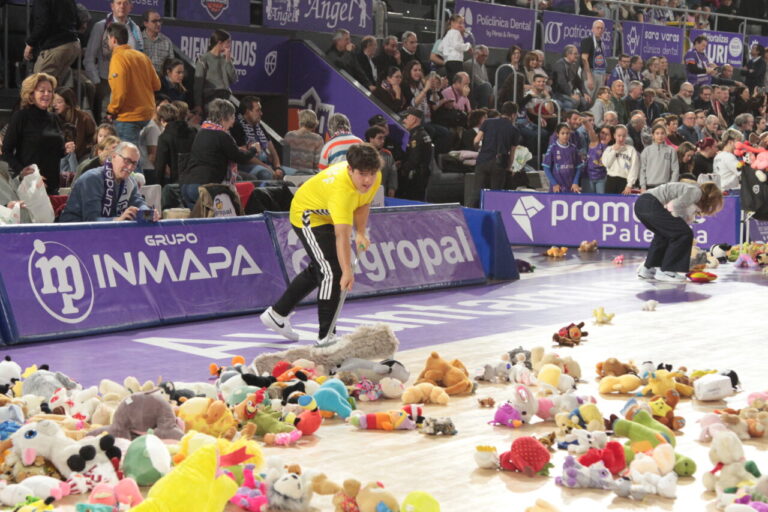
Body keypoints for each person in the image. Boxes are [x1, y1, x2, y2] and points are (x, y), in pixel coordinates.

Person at [260, 143, 382, 347]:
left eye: (372, 174)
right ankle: (326, 336)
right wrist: (347, 271)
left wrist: (361, 233)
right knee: (331, 272)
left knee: (321, 265)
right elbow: (341, 236)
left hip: (329, 212)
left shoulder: (373, 178)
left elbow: (364, 202)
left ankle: (277, 314)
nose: (368, 180)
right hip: (308, 214)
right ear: (350, 170)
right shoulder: (341, 190)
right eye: (362, 174)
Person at [635, 181, 723, 282]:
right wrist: (681, 224)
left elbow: (676, 207)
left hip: (642, 203)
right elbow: (675, 206)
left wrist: (680, 223)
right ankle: (668, 270)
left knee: (663, 235)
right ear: (710, 198)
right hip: (650, 203)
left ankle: (648, 269)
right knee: (684, 233)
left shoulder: (692, 189)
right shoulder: (696, 192)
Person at [1, 73, 73, 194]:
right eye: (42, 91)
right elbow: (6, 151)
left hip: (52, 184)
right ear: (31, 94)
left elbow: (52, 152)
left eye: (50, 91)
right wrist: (22, 171)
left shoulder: (54, 118)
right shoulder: (21, 116)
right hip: (30, 185)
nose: (47, 94)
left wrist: (64, 150)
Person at [179, 99, 258, 208]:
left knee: (196, 223)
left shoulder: (202, 131)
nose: (233, 122)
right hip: (203, 187)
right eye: (232, 117)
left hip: (187, 186)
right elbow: (239, 157)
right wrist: (253, 150)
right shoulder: (221, 135)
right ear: (224, 117)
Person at [60, 141, 157, 222]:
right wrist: (117, 220)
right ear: (114, 156)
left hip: (109, 231)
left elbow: (139, 203)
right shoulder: (92, 179)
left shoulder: (130, 181)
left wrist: (149, 214)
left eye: (134, 163)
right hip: (74, 232)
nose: (130, 167)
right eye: (127, 160)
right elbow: (91, 219)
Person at [84, 0, 143, 121]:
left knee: (125, 121)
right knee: (106, 121)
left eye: (126, 3)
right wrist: (97, 81)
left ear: (131, 7)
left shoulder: (135, 28)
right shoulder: (101, 26)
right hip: (107, 82)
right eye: (119, 3)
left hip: (129, 84)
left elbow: (140, 55)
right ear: (112, 6)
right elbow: (89, 57)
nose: (122, 6)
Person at [105, 23, 160, 147]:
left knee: (128, 161)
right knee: (140, 158)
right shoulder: (142, 56)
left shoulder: (118, 58)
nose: (108, 42)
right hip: (147, 115)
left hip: (128, 117)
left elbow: (119, 92)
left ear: (113, 39)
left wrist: (111, 110)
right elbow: (157, 85)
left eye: (108, 39)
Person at [470, 101, 521, 207]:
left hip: (483, 160)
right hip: (499, 163)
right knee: (494, 196)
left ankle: (468, 217)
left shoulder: (488, 122)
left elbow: (476, 140)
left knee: (477, 194)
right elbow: (512, 153)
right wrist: (508, 168)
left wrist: (481, 149)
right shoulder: (514, 130)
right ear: (513, 115)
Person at [23, 0, 80, 88]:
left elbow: (42, 23)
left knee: (39, 86)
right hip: (72, 44)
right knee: (54, 87)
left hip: (55, 46)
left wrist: (30, 43)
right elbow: (78, 21)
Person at [230, 96, 289, 180]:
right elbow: (245, 156)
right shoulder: (236, 126)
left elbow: (273, 151)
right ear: (247, 112)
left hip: (269, 165)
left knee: (295, 174)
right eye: (258, 110)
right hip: (248, 165)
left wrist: (277, 167)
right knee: (266, 174)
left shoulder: (259, 126)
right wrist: (267, 168)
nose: (261, 113)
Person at [194, 30, 237, 113]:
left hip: (225, 98)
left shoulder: (226, 59)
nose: (230, 45)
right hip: (211, 98)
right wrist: (198, 105)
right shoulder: (203, 59)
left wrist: (228, 60)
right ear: (220, 43)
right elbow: (198, 85)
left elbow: (233, 79)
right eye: (228, 42)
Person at [154, 102, 196, 185]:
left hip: (177, 182)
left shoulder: (164, 137)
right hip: (195, 178)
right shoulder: (194, 131)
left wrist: (158, 186)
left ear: (162, 120)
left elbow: (160, 166)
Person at [397, 108, 433, 201]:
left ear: (413, 119)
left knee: (413, 200)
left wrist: (403, 169)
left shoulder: (417, 136)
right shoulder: (423, 134)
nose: (404, 120)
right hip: (421, 174)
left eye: (406, 118)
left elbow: (415, 159)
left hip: (415, 177)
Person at [52, 87, 96, 162]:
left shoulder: (83, 118)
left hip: (81, 155)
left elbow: (93, 137)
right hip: (59, 155)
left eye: (59, 102)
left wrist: (84, 148)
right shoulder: (51, 117)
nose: (54, 105)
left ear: (68, 104)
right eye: (53, 101)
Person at [542, 123, 583, 193]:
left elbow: (579, 167)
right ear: (557, 134)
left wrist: (575, 182)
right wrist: (554, 184)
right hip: (557, 187)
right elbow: (546, 167)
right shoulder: (553, 148)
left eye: (567, 133)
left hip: (571, 186)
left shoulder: (573, 148)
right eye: (562, 133)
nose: (565, 136)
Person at [601, 124, 640, 194]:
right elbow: (606, 164)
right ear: (614, 136)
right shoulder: (609, 149)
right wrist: (614, 151)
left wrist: (629, 185)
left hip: (624, 181)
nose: (621, 138)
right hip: (611, 180)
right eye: (619, 136)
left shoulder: (631, 150)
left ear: (627, 136)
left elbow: (634, 168)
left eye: (624, 136)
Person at [284, 109, 324, 174]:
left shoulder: (289, 136)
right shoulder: (318, 139)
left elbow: (285, 163)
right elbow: (317, 164)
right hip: (308, 177)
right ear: (314, 122)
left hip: (290, 175)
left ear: (300, 120)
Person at [640, 125, 679, 190]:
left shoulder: (671, 150)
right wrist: (643, 186)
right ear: (653, 135)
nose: (660, 136)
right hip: (649, 186)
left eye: (662, 133)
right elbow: (642, 170)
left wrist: (672, 185)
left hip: (665, 186)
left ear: (666, 135)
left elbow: (675, 169)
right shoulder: (646, 151)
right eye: (657, 133)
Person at [552, 45, 590, 111]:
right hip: (559, 94)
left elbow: (579, 82)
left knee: (585, 101)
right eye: (575, 54)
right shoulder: (560, 65)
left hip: (570, 93)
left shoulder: (573, 65)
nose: (577, 56)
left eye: (577, 54)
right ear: (568, 54)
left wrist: (585, 93)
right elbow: (562, 83)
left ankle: (580, 119)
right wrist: (570, 94)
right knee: (574, 102)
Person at [365, 125, 397, 197]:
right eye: (379, 138)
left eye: (383, 138)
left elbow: (393, 172)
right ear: (371, 139)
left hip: (382, 192)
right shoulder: (362, 153)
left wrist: (392, 187)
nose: (382, 141)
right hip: (364, 192)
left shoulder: (387, 155)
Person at [439, 14, 471, 82]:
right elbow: (457, 45)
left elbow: (440, 48)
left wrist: (447, 55)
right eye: (459, 23)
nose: (461, 25)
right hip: (456, 61)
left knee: (452, 82)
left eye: (462, 23)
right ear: (452, 23)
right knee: (460, 81)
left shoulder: (447, 34)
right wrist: (468, 46)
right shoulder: (456, 32)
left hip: (448, 62)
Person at [580, 20, 607, 98]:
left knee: (598, 97)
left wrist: (604, 75)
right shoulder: (587, 41)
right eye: (598, 28)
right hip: (590, 72)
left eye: (602, 28)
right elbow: (584, 59)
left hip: (600, 73)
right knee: (589, 97)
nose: (600, 30)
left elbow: (602, 60)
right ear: (592, 29)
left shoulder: (602, 43)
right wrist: (589, 77)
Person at [141, 9, 172, 76]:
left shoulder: (167, 42)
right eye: (154, 21)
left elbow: (171, 65)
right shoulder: (138, 40)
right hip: (142, 79)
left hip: (161, 81)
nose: (158, 24)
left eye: (159, 21)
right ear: (145, 23)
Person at [584, 124, 614, 194]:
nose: (604, 136)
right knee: (587, 200)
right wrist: (585, 122)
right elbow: (590, 130)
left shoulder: (612, 149)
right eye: (602, 133)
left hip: (602, 178)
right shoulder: (594, 142)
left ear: (612, 137)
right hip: (588, 177)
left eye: (607, 134)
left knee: (601, 201)